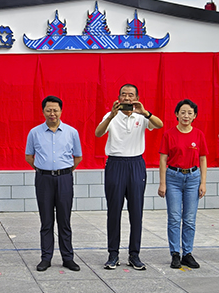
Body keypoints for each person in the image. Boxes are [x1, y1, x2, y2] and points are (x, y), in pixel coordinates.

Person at [95, 84, 163, 270]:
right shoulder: (111, 116)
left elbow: (160, 124)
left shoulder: (141, 116)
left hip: (135, 164)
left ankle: (134, 255)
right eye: (123, 94)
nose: (127, 98)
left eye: (130, 95)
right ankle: (113, 254)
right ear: (118, 97)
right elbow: (98, 133)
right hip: (115, 164)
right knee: (114, 211)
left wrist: (145, 112)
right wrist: (110, 115)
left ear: (136, 97)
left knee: (136, 212)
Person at [25, 95, 83, 272]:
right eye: (49, 110)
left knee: (64, 220)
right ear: (43, 111)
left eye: (55, 110)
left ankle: (68, 257)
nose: (52, 113)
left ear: (61, 111)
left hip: (64, 178)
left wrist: (64, 171)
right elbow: (29, 156)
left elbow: (78, 157)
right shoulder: (34, 132)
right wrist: (43, 168)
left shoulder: (71, 132)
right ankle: (46, 257)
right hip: (43, 179)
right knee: (46, 220)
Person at [157, 99, 208, 269]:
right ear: (177, 114)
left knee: (189, 219)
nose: (186, 116)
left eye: (190, 113)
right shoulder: (169, 134)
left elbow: (203, 159)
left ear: (195, 116)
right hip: (173, 178)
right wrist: (162, 183)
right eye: (183, 112)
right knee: (174, 217)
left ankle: (187, 253)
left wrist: (203, 182)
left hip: (193, 178)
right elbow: (163, 160)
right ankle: (175, 253)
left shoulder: (199, 134)